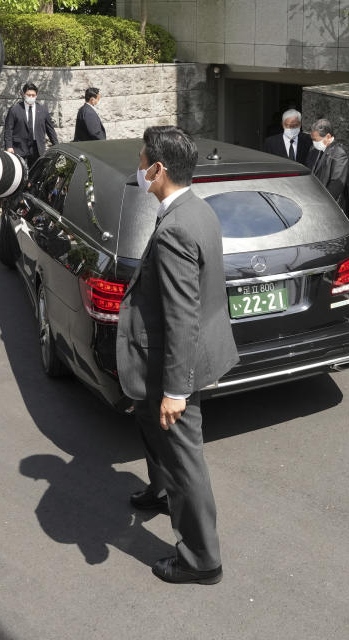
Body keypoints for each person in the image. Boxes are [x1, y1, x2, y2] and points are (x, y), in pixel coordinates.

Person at [116, 125, 239, 585]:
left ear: (159, 169)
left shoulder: (175, 229)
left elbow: (182, 316)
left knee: (186, 460)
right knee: (149, 426)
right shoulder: (198, 209)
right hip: (165, 361)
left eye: (143, 159)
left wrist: (175, 390)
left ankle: (201, 560)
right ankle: (161, 489)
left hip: (173, 366)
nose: (140, 167)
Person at [3, 82, 58, 168]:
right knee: (20, 173)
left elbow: (50, 130)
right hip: (19, 148)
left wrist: (57, 146)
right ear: (23, 94)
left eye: (33, 95)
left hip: (37, 148)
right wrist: (9, 146)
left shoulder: (43, 110)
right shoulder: (15, 110)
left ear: (36, 95)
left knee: (35, 174)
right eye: (28, 95)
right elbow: (8, 130)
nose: (31, 97)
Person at [306, 118, 349, 215]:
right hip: (312, 203)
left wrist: (320, 205)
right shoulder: (314, 150)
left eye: (315, 139)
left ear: (328, 136)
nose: (313, 142)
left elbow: (335, 186)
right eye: (312, 139)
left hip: (328, 208)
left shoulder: (338, 154)